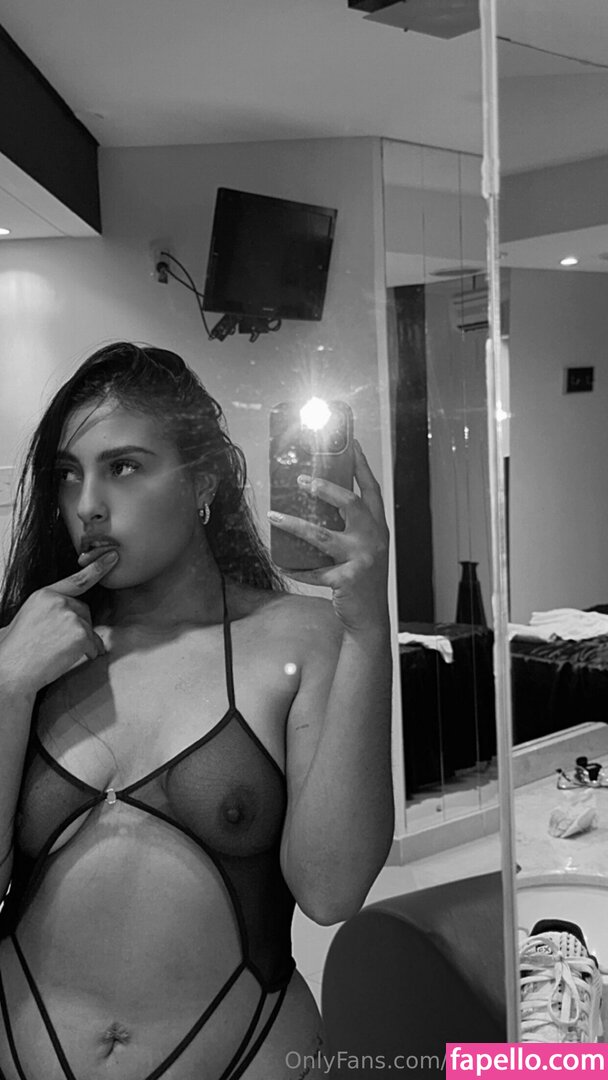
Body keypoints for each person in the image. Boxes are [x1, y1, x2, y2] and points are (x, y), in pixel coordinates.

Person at [0, 342, 393, 1080]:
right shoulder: (26, 649)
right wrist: (7, 687)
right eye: (68, 474)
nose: (87, 505)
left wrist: (372, 629)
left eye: (123, 467)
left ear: (203, 479)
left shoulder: (302, 637)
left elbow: (331, 889)